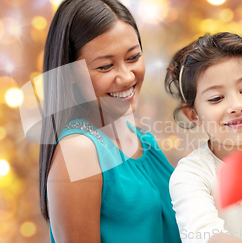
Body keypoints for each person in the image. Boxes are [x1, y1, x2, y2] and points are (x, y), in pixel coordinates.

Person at [38, 0, 182, 242]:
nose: (126, 77)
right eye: (105, 66)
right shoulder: (79, 150)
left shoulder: (142, 139)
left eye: (134, 57)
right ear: (70, 74)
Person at [165, 32, 242, 242]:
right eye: (216, 98)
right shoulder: (192, 175)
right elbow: (207, 237)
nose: (237, 106)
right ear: (193, 115)